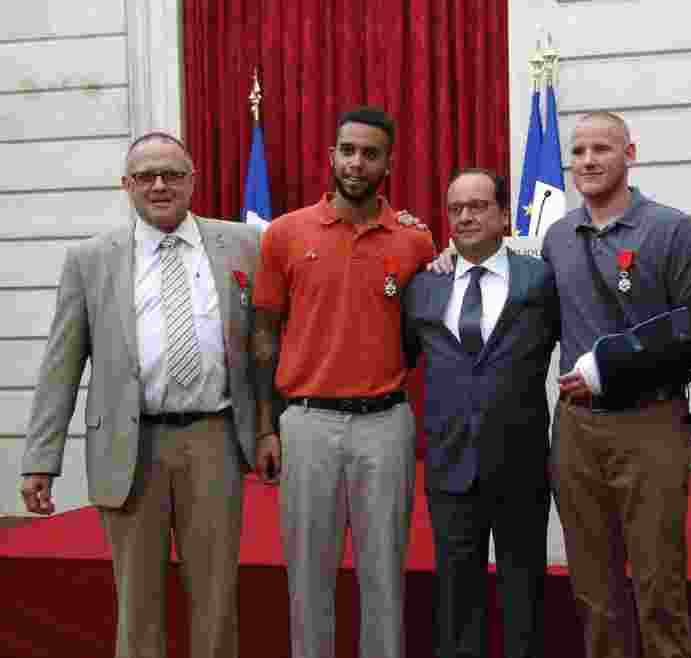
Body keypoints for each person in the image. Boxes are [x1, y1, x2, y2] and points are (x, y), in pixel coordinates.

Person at [20, 132, 265, 658]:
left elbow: (270, 342)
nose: (159, 185)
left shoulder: (246, 245)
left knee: (217, 601)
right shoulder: (90, 259)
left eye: (172, 174)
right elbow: (61, 365)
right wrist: (41, 459)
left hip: (215, 440)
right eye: (146, 176)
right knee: (138, 606)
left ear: (193, 181)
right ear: (126, 184)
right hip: (130, 448)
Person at [250, 106, 436, 658]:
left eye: (370, 154)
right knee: (308, 578)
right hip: (306, 423)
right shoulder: (284, 233)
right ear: (331, 156)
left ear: (388, 164)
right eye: (348, 151)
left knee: (385, 576)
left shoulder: (415, 242)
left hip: (385, 423)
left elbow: (425, 331)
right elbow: (263, 337)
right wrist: (265, 428)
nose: (357, 162)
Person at [546, 112, 691, 658]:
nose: (588, 160)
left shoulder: (672, 231)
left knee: (658, 582)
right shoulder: (557, 237)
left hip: (650, 423)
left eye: (602, 149)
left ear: (630, 154)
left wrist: (615, 368)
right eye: (579, 151)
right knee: (593, 587)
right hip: (576, 429)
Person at [402, 168, 559, 658]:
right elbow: (402, 355)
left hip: (520, 464)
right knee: (456, 601)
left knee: (523, 597)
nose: (465, 216)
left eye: (478, 206)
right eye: (456, 209)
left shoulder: (541, 280)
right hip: (450, 465)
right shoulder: (423, 287)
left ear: (504, 215)